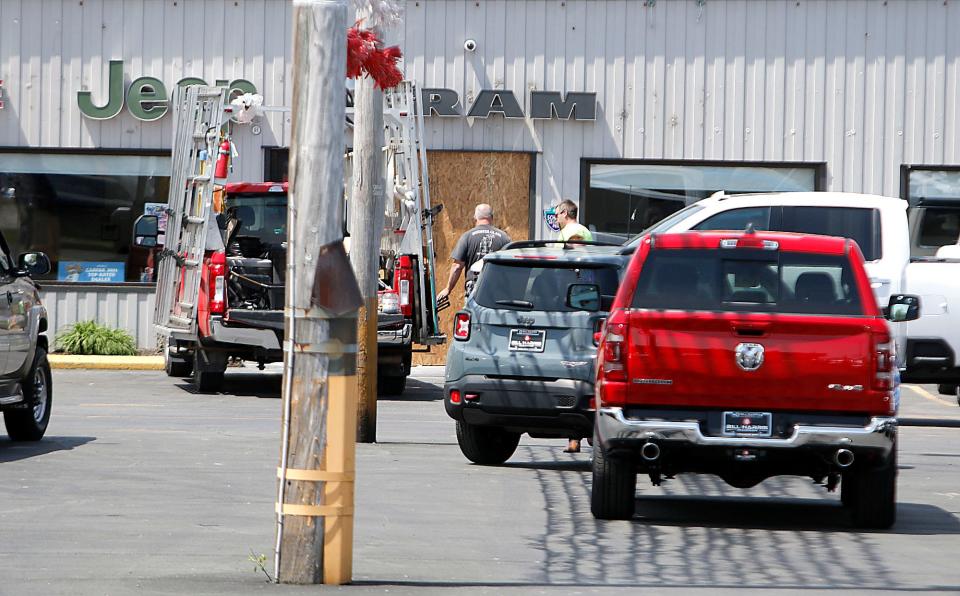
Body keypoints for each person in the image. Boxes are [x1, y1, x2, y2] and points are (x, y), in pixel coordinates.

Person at [436, 203, 511, 302]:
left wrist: (448, 289)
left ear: (475, 217)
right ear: (492, 217)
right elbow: (510, 266)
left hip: (475, 287)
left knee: (473, 315)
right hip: (497, 288)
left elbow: (457, 267)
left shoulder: (467, 236)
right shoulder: (504, 238)